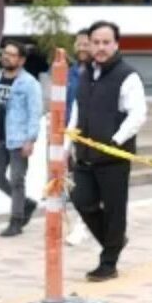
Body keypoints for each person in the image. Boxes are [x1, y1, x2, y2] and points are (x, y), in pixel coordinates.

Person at [67, 21, 147, 281]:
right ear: (88, 44)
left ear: (116, 44)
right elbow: (77, 111)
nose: (100, 48)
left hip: (114, 156)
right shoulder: (85, 74)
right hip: (85, 155)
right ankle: (114, 242)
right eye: (96, 42)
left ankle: (108, 262)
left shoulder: (127, 76)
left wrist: (115, 140)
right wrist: (68, 143)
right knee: (81, 200)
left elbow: (138, 114)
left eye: (106, 42)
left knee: (114, 210)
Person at [0, 42, 43, 237]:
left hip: (18, 138)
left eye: (12, 54)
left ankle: (16, 221)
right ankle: (26, 203)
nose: (7, 57)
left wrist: (30, 139)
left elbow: (35, 112)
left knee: (17, 179)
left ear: (22, 60)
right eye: (5, 53)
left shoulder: (29, 83)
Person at [65, 29, 92, 247]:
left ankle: (83, 226)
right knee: (75, 184)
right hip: (71, 135)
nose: (82, 48)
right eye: (79, 44)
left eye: (86, 44)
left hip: (93, 137)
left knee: (86, 184)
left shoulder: (98, 73)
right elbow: (66, 105)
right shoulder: (71, 72)